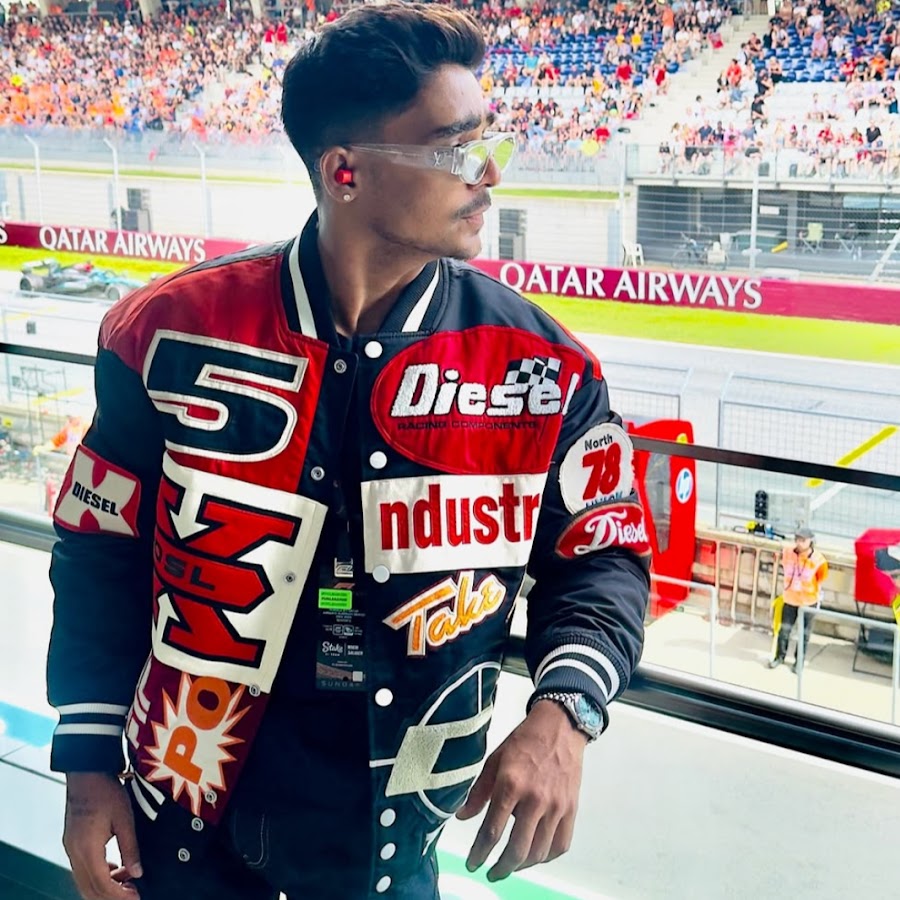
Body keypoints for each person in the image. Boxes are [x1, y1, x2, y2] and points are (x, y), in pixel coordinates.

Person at [46, 5, 651, 900]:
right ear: (345, 171)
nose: (490, 172)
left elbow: (605, 557)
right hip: (176, 833)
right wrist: (86, 764)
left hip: (392, 856)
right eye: (455, 148)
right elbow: (99, 548)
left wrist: (565, 713)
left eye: (489, 142)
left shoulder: (545, 368)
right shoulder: (163, 332)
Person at [769, 526, 828, 672]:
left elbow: (821, 577)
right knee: (784, 630)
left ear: (810, 542)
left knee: (804, 635)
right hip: (790, 599)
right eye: (797, 539)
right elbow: (777, 558)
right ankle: (779, 657)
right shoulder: (787, 553)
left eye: (803, 540)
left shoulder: (818, 559)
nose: (799, 543)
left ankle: (798, 662)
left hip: (808, 602)